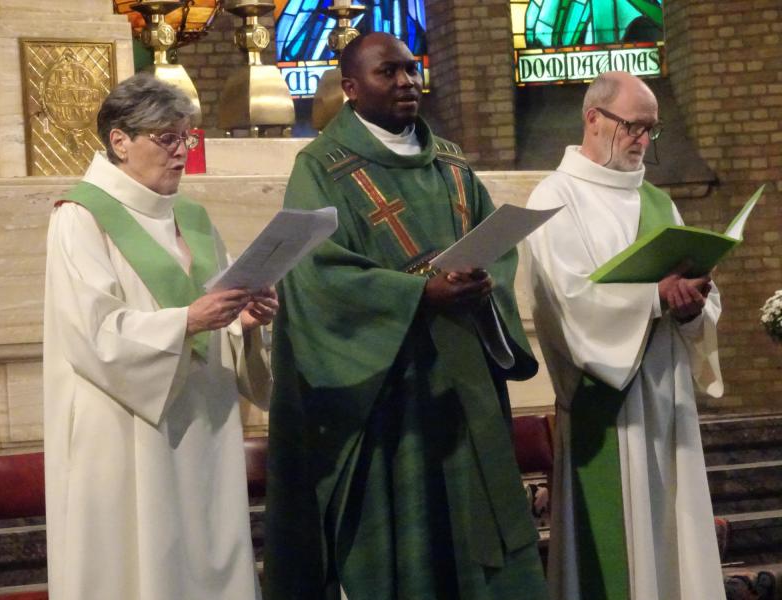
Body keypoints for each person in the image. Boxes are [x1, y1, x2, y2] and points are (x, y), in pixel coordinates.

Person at [264, 32, 548, 600]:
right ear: (349, 88)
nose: (405, 82)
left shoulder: (451, 160)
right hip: (387, 391)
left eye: (410, 70)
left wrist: (481, 282)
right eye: (387, 73)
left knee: (478, 531)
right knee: (409, 542)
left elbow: (496, 244)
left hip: (463, 378)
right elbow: (314, 272)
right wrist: (418, 294)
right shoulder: (321, 167)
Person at [42, 73, 277, 600]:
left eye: (187, 137)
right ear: (119, 141)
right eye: (167, 139)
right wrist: (186, 321)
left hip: (204, 425)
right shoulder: (81, 218)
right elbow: (94, 333)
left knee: (203, 553)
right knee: (136, 563)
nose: (182, 154)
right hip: (126, 431)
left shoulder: (191, 218)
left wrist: (247, 321)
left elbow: (220, 317)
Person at [524, 71, 725, 600]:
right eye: (634, 127)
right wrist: (653, 298)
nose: (642, 140)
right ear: (593, 118)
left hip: (667, 398)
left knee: (674, 537)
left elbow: (702, 294)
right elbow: (567, 303)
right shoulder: (554, 198)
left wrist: (690, 308)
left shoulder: (658, 202)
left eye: (651, 130)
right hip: (607, 410)